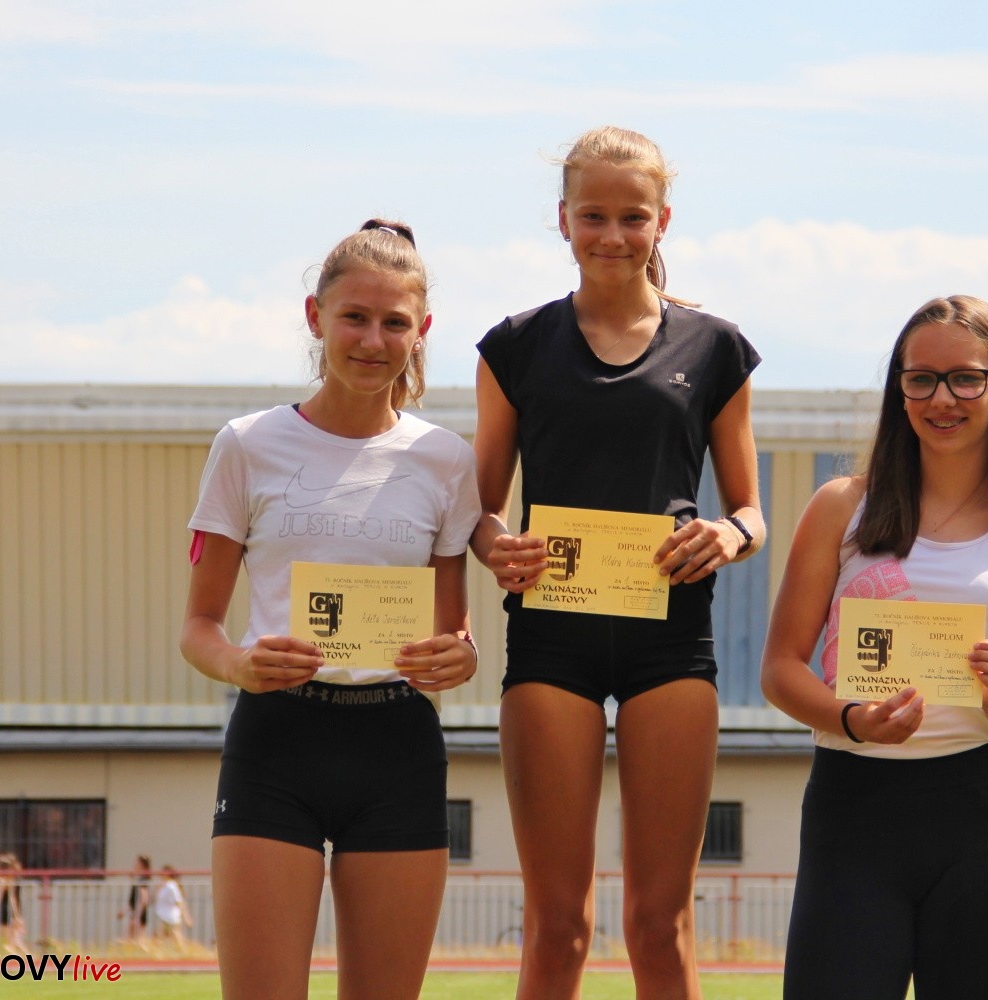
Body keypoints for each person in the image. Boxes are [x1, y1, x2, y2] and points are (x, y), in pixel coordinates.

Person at [471, 125, 764, 1000]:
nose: (612, 234)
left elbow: (750, 511)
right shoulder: (514, 346)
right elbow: (478, 512)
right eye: (592, 215)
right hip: (550, 646)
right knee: (557, 927)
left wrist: (729, 536)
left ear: (662, 221)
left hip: (669, 645)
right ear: (562, 219)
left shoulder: (715, 348)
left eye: (632, 216)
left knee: (660, 926)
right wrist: (497, 547)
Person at [181, 220, 482, 1000]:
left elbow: (452, 631)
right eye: (355, 317)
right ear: (316, 317)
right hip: (275, 743)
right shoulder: (247, 445)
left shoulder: (447, 460)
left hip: (398, 749)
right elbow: (198, 628)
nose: (373, 340)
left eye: (394, 323)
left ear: (421, 331)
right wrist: (240, 664)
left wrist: (462, 654)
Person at [760, 295, 988, 1000]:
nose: (942, 398)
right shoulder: (842, 506)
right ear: (899, 389)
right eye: (921, 379)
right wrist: (852, 720)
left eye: (965, 378)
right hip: (852, 809)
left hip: (982, 821)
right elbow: (780, 669)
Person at [152, 865, 194, 951]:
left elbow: (179, 901)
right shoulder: (164, 885)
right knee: (158, 936)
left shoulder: (171, 885)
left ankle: (184, 951)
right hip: (165, 916)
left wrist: (186, 917)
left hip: (171, 916)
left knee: (175, 934)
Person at [117, 854, 152, 948]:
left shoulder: (143, 880)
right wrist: (124, 911)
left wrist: (138, 915)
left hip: (139, 912)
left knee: (137, 939)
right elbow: (132, 901)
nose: (135, 865)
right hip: (136, 912)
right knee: (132, 938)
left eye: (137, 863)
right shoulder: (138, 880)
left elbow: (144, 899)